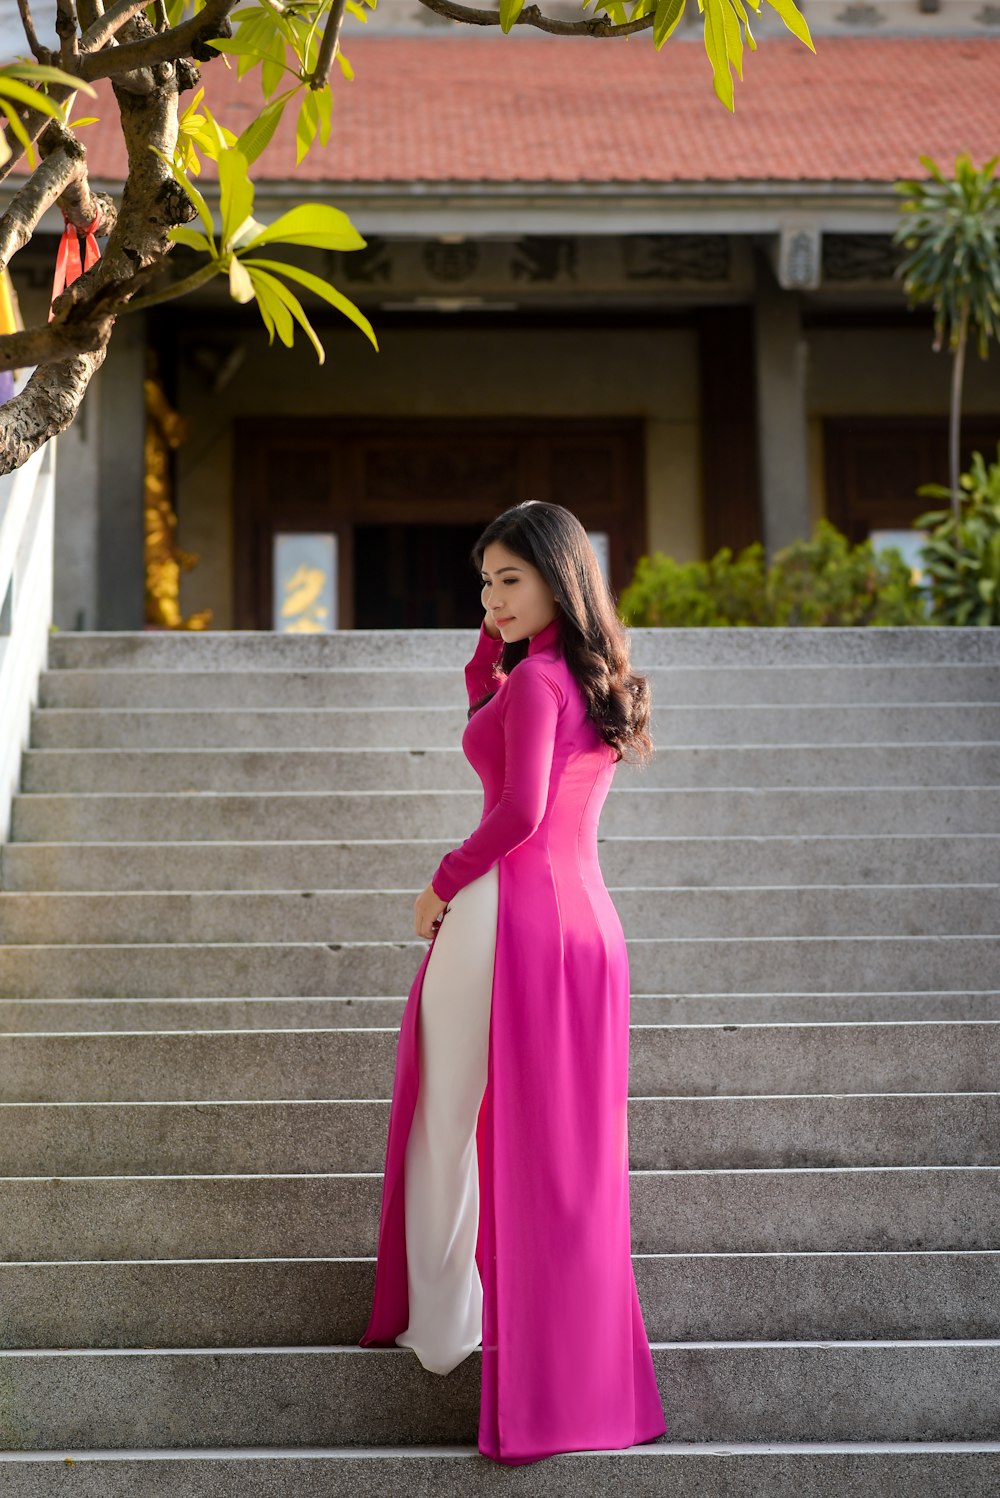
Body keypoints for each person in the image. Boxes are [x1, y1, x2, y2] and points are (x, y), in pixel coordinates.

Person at [359, 500, 668, 1465]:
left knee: (445, 1120)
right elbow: (538, 790)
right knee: (570, 1160)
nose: (492, 599)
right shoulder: (588, 678)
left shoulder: (536, 683)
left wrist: (441, 881)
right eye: (485, 583)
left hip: (504, 914)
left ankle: (447, 1330)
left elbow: (517, 812)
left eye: (510, 580)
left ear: (556, 579)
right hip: (589, 928)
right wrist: (479, 687)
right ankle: (578, 1370)